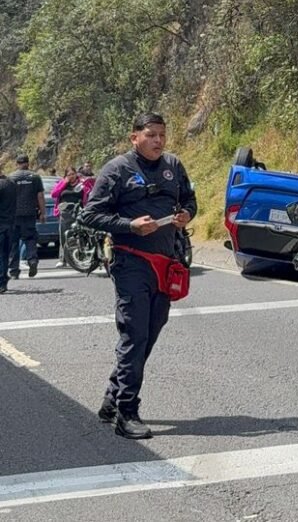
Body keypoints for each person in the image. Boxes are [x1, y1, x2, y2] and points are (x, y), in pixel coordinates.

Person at [81, 112, 197, 439]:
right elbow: (91, 214)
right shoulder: (117, 170)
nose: (158, 141)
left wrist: (187, 213)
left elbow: (189, 199)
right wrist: (129, 226)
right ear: (135, 137)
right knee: (135, 334)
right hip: (130, 260)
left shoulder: (174, 165)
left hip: (166, 260)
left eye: (162, 134)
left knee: (151, 330)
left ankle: (111, 398)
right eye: (151, 135)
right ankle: (127, 412)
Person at [7, 155, 45, 279]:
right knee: (30, 238)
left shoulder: (11, 178)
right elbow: (40, 196)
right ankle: (32, 260)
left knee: (13, 242)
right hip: (30, 213)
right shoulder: (35, 177)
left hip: (14, 215)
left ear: (17, 164)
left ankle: (13, 271)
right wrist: (42, 213)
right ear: (28, 163)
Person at [51, 166, 95, 268]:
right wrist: (64, 183)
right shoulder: (62, 184)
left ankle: (82, 256)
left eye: (73, 174)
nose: (71, 176)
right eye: (69, 175)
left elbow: (89, 193)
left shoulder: (82, 184)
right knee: (64, 235)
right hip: (65, 213)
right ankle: (63, 259)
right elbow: (54, 194)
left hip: (79, 211)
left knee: (81, 234)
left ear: (76, 174)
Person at [0, 171, 18, 293]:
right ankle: (3, 281)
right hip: (10, 223)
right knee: (5, 254)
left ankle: (1, 281)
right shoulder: (12, 184)